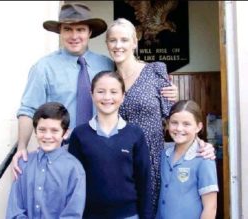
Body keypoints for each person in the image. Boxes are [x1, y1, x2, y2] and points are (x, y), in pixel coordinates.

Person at [12, 3, 177, 178]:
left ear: (89, 32)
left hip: (103, 155)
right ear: (60, 31)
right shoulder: (43, 68)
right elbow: (28, 110)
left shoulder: (106, 64)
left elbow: (133, 81)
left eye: (80, 29)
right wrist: (21, 147)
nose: (74, 36)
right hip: (62, 154)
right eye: (68, 29)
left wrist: (167, 89)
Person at [105, 18, 216, 212]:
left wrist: (200, 144)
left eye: (124, 40)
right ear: (107, 44)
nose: (118, 45)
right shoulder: (108, 80)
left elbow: (175, 117)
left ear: (135, 42)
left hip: (152, 161)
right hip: (119, 163)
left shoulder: (155, 71)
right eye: (112, 40)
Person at [69, 71, 153, 219]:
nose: (107, 97)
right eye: (101, 91)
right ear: (92, 94)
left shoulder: (135, 134)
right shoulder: (79, 135)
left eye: (114, 92)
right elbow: (72, 181)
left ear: (123, 96)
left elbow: (144, 180)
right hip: (89, 215)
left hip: (129, 215)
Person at [6, 102, 86, 219]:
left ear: (65, 133)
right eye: (42, 130)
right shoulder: (23, 164)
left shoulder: (74, 169)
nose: (48, 136)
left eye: (54, 130)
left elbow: (72, 213)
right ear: (35, 131)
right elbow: (14, 210)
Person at [156, 100, 218, 219]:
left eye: (186, 124)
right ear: (168, 124)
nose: (179, 128)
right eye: (174, 123)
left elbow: (210, 207)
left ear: (198, 127)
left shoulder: (204, 158)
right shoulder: (164, 153)